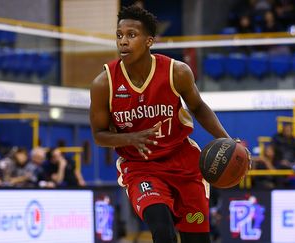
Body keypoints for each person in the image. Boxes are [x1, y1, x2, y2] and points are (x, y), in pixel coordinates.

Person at [89, 6, 238, 243]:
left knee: (197, 239)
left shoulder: (176, 72)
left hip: (183, 163)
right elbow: (98, 135)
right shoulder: (103, 83)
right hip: (141, 168)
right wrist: (130, 138)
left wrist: (227, 139)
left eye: (131, 35)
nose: (123, 42)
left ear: (149, 41)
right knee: (162, 230)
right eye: (119, 35)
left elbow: (198, 108)